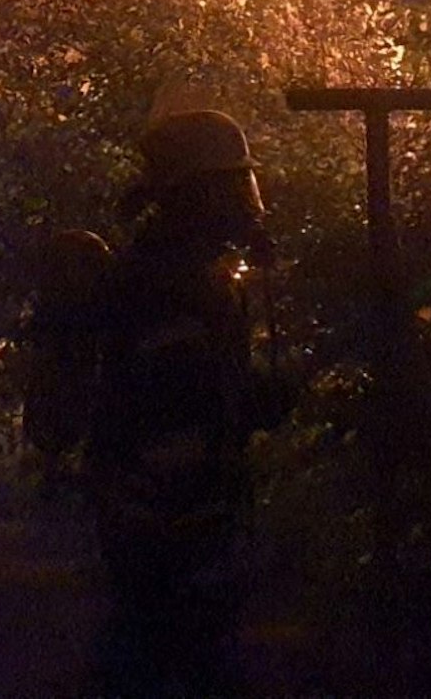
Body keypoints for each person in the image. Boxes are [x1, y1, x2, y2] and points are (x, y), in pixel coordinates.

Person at [86, 108, 284, 696]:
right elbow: (181, 402)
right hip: (168, 519)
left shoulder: (178, 271)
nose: (246, 201)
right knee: (177, 659)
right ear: (196, 193)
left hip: (164, 513)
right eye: (231, 184)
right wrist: (260, 400)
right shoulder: (168, 282)